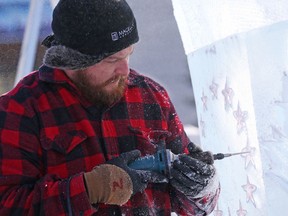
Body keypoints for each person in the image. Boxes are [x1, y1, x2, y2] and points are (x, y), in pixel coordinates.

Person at [0, 0, 220, 215]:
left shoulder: (151, 96)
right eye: (111, 60)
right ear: (75, 59)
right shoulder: (21, 109)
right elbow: (7, 205)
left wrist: (201, 189)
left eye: (128, 55)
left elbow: (193, 207)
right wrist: (92, 188)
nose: (124, 70)